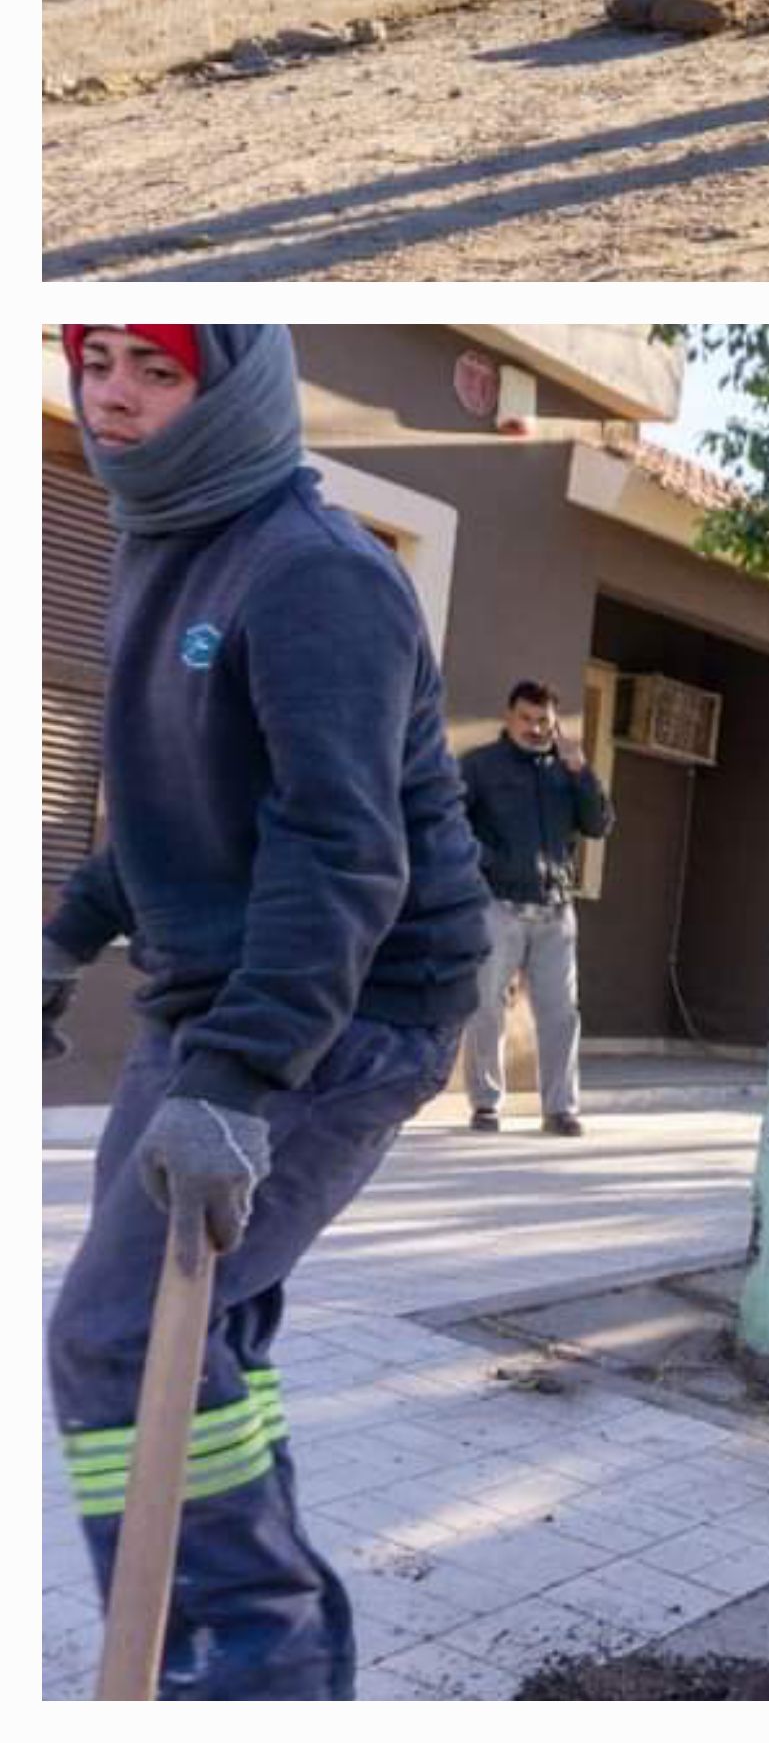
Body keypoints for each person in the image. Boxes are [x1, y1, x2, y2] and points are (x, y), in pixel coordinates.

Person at [44, 325, 490, 1699]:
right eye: (97, 357)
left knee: (118, 1335)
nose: (112, 394)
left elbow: (342, 850)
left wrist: (237, 1082)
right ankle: (271, 1656)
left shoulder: (316, 577)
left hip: (351, 1009)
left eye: (158, 371)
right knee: (198, 1333)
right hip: (220, 995)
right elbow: (183, 804)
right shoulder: (161, 535)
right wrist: (61, 942)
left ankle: (250, 1671)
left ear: (229, 391)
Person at [457, 679, 613, 1136]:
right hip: (498, 905)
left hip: (555, 910)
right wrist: (489, 862)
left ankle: (560, 1108)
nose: (534, 727)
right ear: (510, 717)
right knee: (486, 1006)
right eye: (525, 718)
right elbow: (450, 820)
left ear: (555, 722)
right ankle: (486, 1103)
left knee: (562, 1012)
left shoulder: (566, 770)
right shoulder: (482, 766)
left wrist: (580, 771)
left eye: (543, 720)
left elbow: (599, 825)